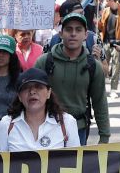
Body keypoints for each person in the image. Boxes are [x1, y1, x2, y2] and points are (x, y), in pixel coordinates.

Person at [33, 12, 111, 146]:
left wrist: (104, 136)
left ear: (86, 35)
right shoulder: (44, 62)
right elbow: (31, 96)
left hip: (78, 130)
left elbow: (100, 102)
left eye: (78, 29)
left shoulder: (93, 66)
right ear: (61, 33)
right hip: (47, 129)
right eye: (69, 29)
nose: (73, 33)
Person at [0, 68, 80, 152]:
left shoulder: (67, 122)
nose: (32, 92)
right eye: (26, 88)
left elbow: (77, 162)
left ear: (48, 92)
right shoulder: (6, 124)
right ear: (19, 96)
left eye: (38, 87)